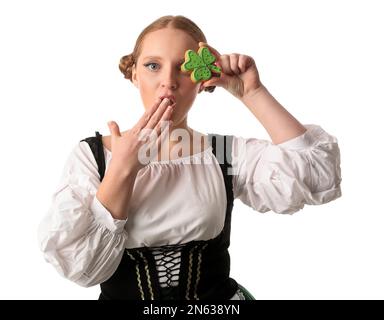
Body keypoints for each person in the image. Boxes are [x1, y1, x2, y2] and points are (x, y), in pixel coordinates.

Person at [37, 15, 342, 300]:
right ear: (133, 74)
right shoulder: (93, 157)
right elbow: (81, 269)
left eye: (184, 67)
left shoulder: (223, 153)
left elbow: (317, 174)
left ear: (202, 78)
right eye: (153, 65)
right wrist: (121, 170)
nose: (168, 81)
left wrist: (252, 92)